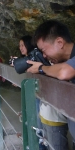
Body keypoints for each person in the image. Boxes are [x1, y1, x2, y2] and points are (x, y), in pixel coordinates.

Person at [26, 20, 75, 150]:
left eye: (44, 50)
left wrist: (41, 68)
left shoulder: (67, 65)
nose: (44, 55)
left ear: (59, 42)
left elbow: (65, 72)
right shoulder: (66, 61)